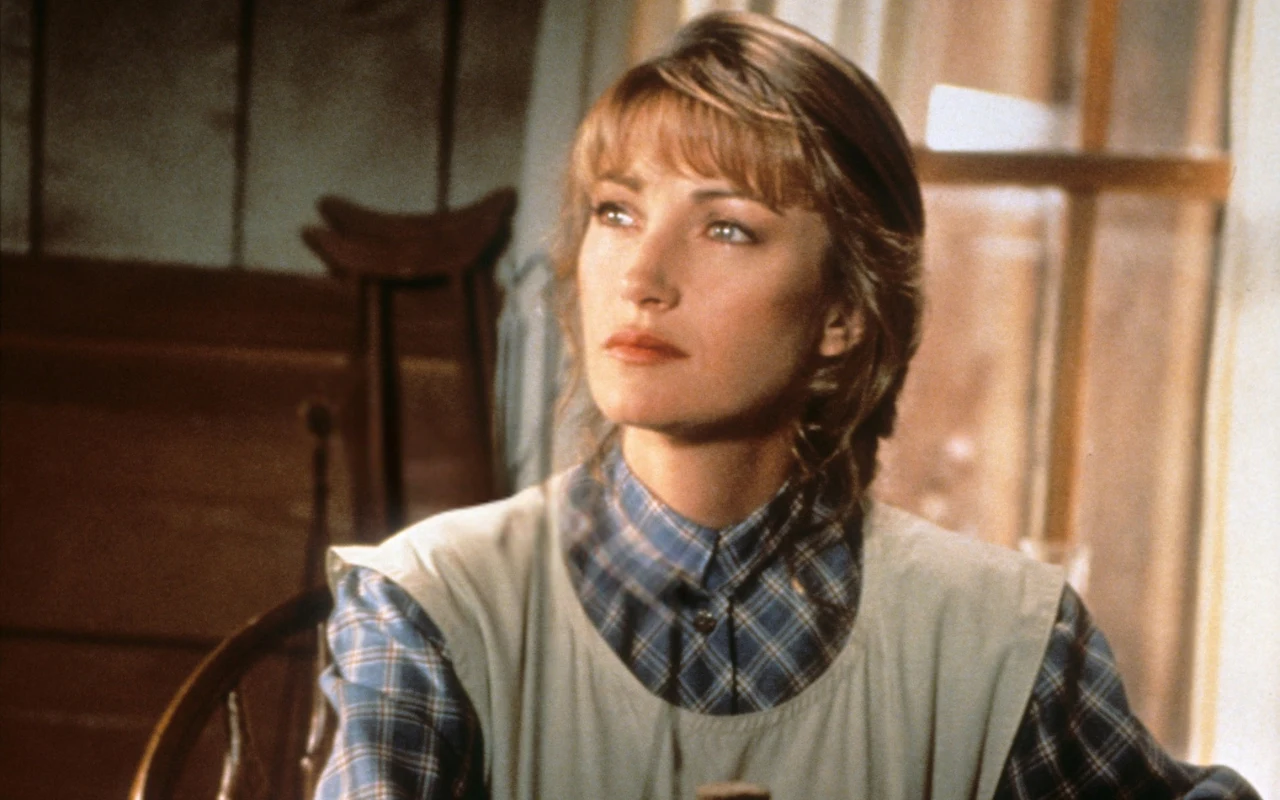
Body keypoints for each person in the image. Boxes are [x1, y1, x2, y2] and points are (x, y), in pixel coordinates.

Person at [314, 11, 1259, 799]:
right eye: (617, 211)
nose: (641, 276)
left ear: (843, 312)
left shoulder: (1005, 641)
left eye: (727, 228)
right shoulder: (432, 605)